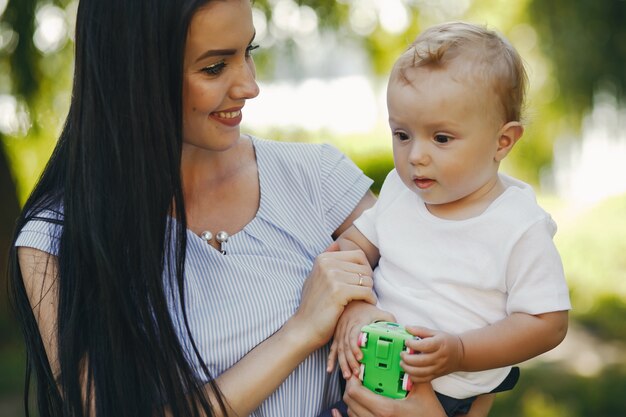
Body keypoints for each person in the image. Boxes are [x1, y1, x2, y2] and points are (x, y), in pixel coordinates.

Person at [7, 1, 385, 416]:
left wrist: (367, 306)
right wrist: (300, 332)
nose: (249, 86)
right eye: (214, 67)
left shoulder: (316, 177)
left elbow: (447, 287)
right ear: (137, 75)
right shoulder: (57, 239)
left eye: (249, 52)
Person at [327, 21, 571, 417]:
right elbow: (352, 247)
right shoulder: (398, 193)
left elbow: (547, 322)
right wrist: (356, 306)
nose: (415, 155)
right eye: (402, 135)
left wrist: (459, 352)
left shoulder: (518, 225)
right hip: (371, 371)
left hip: (451, 392)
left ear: (502, 141)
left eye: (441, 138)